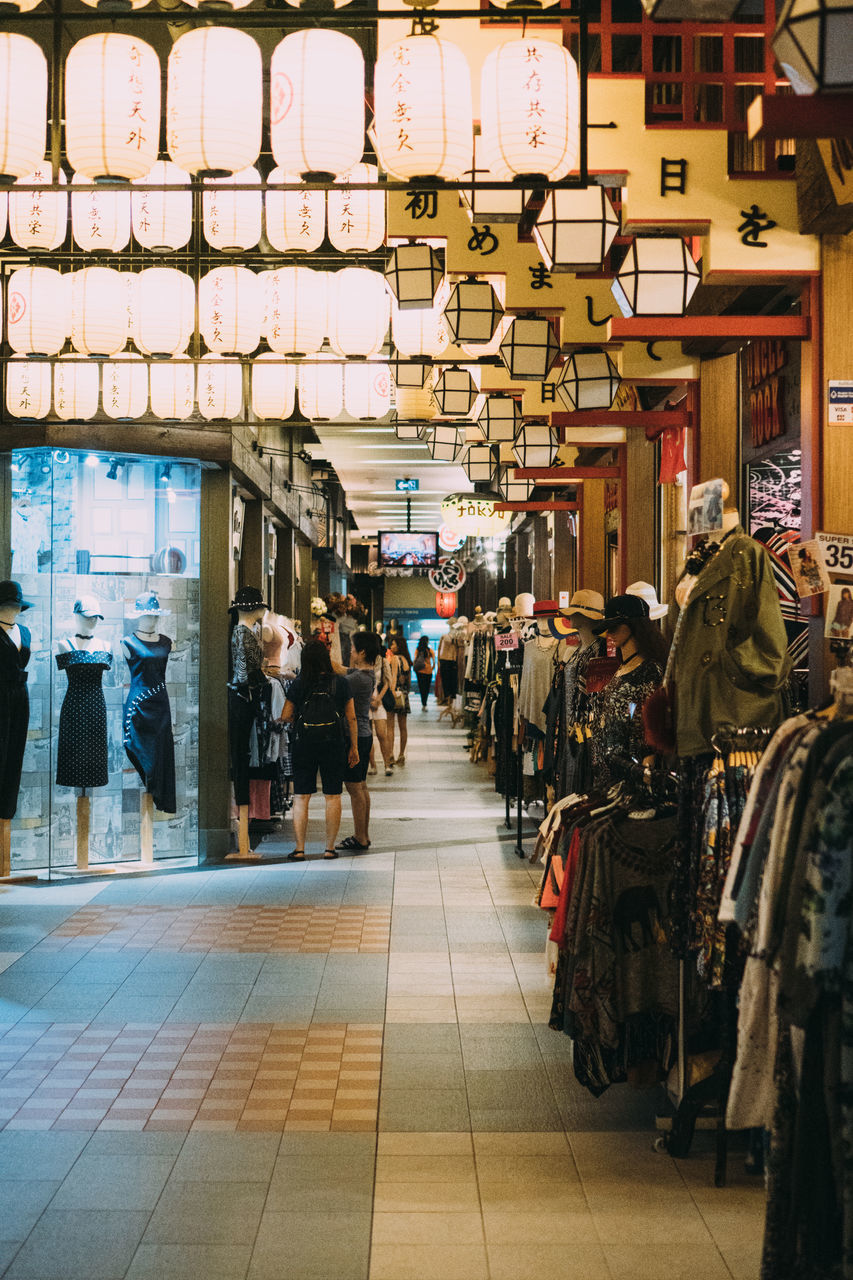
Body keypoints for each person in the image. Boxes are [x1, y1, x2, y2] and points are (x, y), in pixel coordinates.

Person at [281, 639, 358, 861]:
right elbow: (351, 717)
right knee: (332, 796)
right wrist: (354, 747)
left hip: (304, 743)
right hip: (333, 743)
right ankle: (330, 848)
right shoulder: (341, 683)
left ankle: (300, 848)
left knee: (301, 797)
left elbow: (286, 715)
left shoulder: (299, 683)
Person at [589, 594, 669, 791]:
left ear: (633, 625)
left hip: (632, 776)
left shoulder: (649, 671)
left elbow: (649, 722)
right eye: (608, 627)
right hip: (608, 776)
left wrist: (645, 766)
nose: (610, 633)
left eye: (615, 627)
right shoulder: (623, 667)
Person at [335, 630, 380, 851]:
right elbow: (342, 669)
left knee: (354, 788)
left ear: (361, 652)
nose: (350, 651)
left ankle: (360, 837)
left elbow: (338, 680)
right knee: (361, 786)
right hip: (364, 734)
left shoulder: (357, 680)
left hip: (355, 737)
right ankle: (364, 834)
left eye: (353, 648)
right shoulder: (367, 673)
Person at [368, 649, 395, 777]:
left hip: (380, 702)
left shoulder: (383, 661)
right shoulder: (362, 661)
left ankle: (387, 764)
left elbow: (387, 682)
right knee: (367, 736)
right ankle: (372, 765)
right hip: (365, 701)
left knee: (381, 733)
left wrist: (378, 699)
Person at [387, 633, 412, 766]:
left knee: (390, 727)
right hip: (404, 695)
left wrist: (390, 691)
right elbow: (407, 681)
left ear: (399, 646)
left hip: (394, 694)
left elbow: (394, 677)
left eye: (393, 644)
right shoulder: (407, 660)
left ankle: (390, 755)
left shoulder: (395, 658)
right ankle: (401, 755)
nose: (391, 646)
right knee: (403, 727)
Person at [412, 634, 435, 710]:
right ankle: (425, 703)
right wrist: (431, 668)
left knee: (421, 688)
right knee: (427, 688)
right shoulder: (429, 650)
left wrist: (415, 669)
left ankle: (423, 704)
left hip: (420, 671)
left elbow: (415, 660)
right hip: (428, 672)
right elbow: (434, 661)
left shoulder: (417, 650)